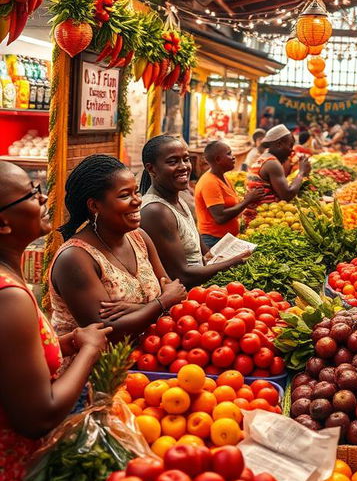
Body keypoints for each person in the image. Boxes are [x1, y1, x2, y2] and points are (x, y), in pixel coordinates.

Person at [0, 163, 111, 481]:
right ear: (3, 225)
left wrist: (62, 345)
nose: (44, 197)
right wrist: (88, 349)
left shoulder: (12, 282)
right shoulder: (9, 296)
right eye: (31, 194)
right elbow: (38, 415)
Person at [50, 156, 186, 348]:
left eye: (136, 192)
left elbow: (177, 296)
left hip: (146, 358)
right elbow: (106, 332)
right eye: (124, 195)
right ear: (94, 205)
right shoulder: (75, 258)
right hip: (95, 373)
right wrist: (161, 303)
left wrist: (139, 308)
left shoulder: (139, 238)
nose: (137, 201)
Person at [139, 135, 249, 286]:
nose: (184, 166)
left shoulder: (179, 201)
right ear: (151, 168)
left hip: (199, 292)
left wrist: (213, 257)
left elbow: (201, 254)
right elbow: (182, 276)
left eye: (186, 159)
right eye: (173, 161)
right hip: (182, 301)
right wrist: (233, 262)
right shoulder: (156, 211)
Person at [195, 140, 265, 249]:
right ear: (218, 159)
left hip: (225, 237)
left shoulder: (224, 177)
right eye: (228, 154)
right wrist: (247, 201)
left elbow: (231, 205)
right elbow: (220, 217)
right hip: (214, 239)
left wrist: (247, 202)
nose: (233, 157)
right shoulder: (209, 182)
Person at [244, 124, 310, 222]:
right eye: (290, 145)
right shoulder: (272, 163)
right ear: (279, 144)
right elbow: (287, 195)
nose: (291, 150)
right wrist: (301, 172)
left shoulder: (265, 158)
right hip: (261, 219)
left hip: (262, 216)